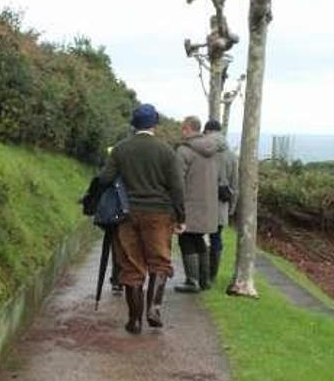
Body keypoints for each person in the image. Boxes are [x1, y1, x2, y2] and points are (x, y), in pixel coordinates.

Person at [98, 104, 185, 334]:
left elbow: (105, 178)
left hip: (127, 214)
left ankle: (134, 320)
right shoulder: (166, 151)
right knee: (160, 261)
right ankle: (153, 309)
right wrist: (180, 216)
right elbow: (177, 187)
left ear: (133, 124)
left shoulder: (120, 149)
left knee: (131, 266)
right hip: (159, 214)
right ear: (154, 124)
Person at [175, 116, 220, 293]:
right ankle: (205, 280)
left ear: (187, 129)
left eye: (182, 128)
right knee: (199, 239)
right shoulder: (213, 150)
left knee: (186, 239)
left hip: (190, 205)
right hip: (208, 205)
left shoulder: (183, 151)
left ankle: (192, 281)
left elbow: (178, 181)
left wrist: (176, 206)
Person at [204, 120, 237, 283]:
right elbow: (235, 184)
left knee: (199, 238)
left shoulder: (204, 151)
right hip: (222, 204)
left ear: (207, 131)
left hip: (203, 202)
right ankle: (212, 275)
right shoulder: (231, 155)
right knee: (216, 238)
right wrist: (232, 208)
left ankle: (200, 274)